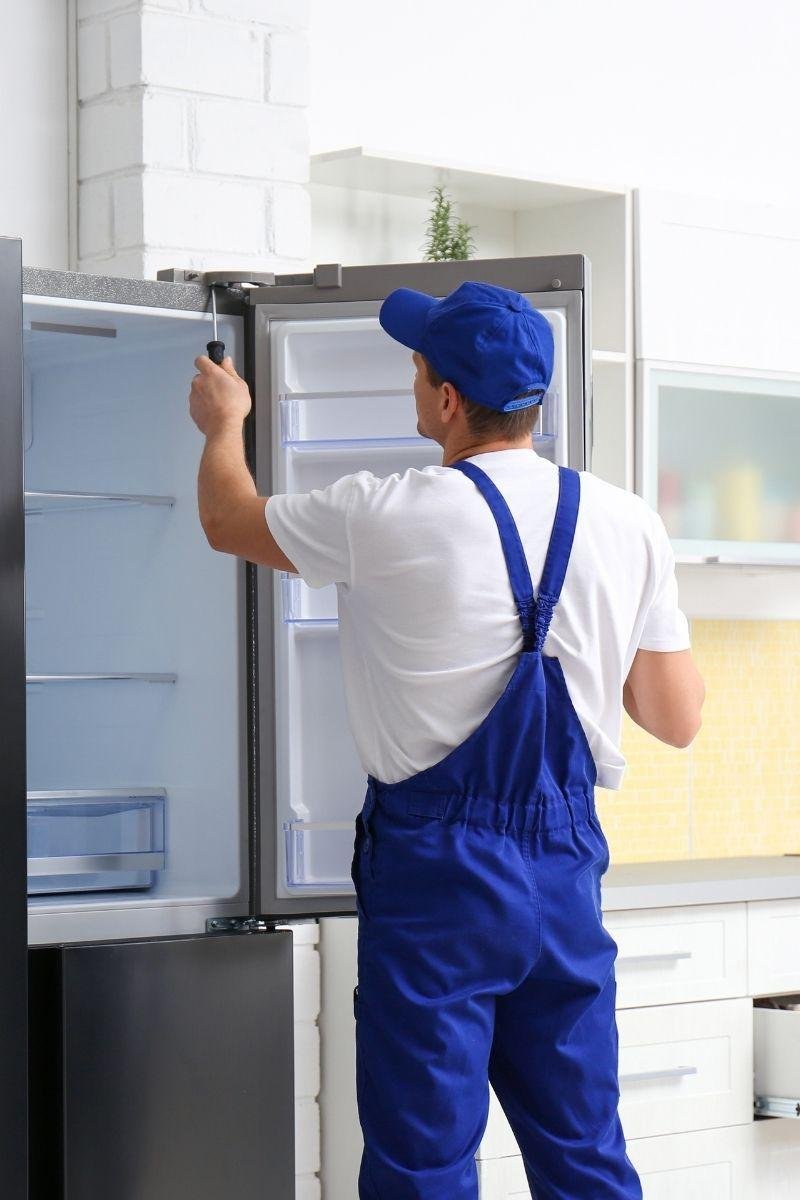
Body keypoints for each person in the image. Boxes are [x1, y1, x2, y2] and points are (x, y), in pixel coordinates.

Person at [188, 279, 705, 1200]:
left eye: (417, 364)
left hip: (436, 877)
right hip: (563, 870)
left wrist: (224, 422)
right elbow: (675, 717)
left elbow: (229, 519)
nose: (414, 378)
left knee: (422, 1166)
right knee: (583, 1157)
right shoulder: (630, 524)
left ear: (447, 400)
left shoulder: (385, 511)